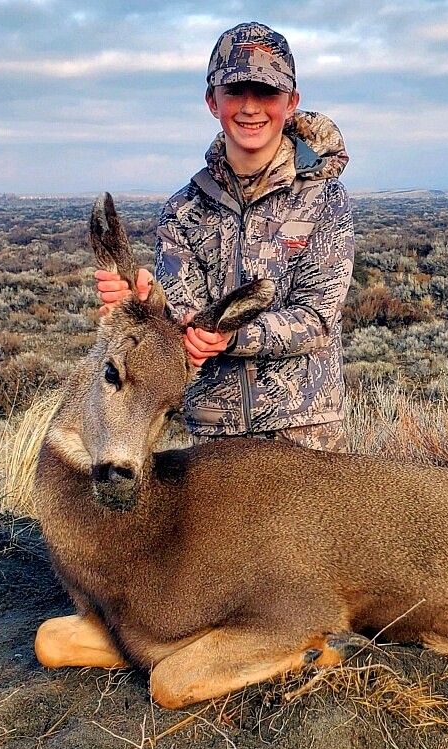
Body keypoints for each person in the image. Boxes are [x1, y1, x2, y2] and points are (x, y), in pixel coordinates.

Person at [96, 22, 354, 451]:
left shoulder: (325, 199)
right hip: (215, 440)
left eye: (267, 93)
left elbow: (317, 320)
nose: (250, 107)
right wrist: (143, 305)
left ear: (291, 102)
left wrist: (233, 336)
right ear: (212, 102)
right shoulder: (183, 209)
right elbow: (183, 320)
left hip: (308, 438)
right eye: (234, 91)